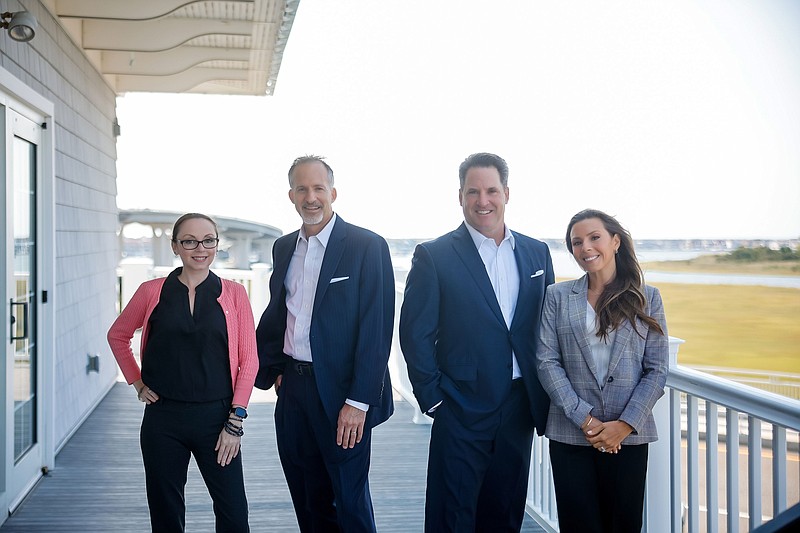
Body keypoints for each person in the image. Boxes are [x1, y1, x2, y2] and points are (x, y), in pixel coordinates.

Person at [399, 152, 554, 532]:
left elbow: (549, 328)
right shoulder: (434, 256)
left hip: (518, 407)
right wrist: (434, 399)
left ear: (506, 193)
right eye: (473, 192)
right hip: (459, 406)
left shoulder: (536, 252)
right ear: (460, 196)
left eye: (491, 191)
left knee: (504, 514)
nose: (483, 201)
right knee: (453, 516)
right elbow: (414, 333)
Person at [255, 155, 395, 533]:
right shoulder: (284, 247)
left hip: (342, 395)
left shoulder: (367, 246)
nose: (311, 197)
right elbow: (279, 312)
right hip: (294, 390)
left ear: (333, 192)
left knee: (349, 501)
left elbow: (377, 329)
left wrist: (358, 401)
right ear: (291, 195)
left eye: (319, 188)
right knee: (306, 497)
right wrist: (276, 371)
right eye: (302, 189)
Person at [107, 212, 258, 532]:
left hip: (218, 421)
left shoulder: (234, 294)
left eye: (208, 240)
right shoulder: (151, 291)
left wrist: (235, 422)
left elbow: (250, 361)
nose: (199, 248)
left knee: (233, 513)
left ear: (217, 245)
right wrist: (136, 381)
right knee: (166, 513)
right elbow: (117, 335)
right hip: (163, 419)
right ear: (175, 246)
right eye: (189, 240)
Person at [536, 208, 669, 533]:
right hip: (571, 434)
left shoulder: (647, 298)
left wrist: (624, 424)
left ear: (615, 241)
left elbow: (657, 368)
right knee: (578, 525)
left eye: (594, 237)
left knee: (623, 525)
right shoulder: (557, 295)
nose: (585, 247)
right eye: (576, 242)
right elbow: (546, 361)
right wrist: (586, 420)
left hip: (627, 438)